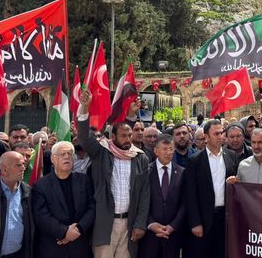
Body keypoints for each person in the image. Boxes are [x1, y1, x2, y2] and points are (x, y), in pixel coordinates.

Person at [77, 89, 150, 258]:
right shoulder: (102, 152)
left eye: (130, 135)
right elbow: (83, 137)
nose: (128, 139)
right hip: (105, 223)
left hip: (130, 224)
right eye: (123, 136)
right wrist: (85, 108)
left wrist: (140, 224)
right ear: (113, 137)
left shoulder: (139, 157)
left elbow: (145, 194)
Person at [183, 119, 237, 258]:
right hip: (204, 220)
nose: (220, 136)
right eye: (216, 134)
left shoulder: (231, 157)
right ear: (206, 137)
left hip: (224, 218)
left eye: (222, 132)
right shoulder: (194, 161)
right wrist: (195, 223)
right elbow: (190, 195)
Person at [31, 141, 96, 258]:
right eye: (62, 154)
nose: (67, 157)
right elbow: (41, 216)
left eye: (70, 153)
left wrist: (78, 229)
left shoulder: (84, 180)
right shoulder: (40, 185)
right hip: (54, 246)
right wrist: (64, 232)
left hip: (80, 244)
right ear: (52, 159)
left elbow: (92, 208)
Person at [143, 134, 185, 258]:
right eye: (165, 149)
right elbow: (141, 202)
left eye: (171, 149)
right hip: (150, 235)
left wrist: (173, 226)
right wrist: (151, 224)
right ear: (156, 151)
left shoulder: (182, 172)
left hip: (172, 235)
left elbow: (185, 203)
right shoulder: (146, 172)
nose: (168, 152)